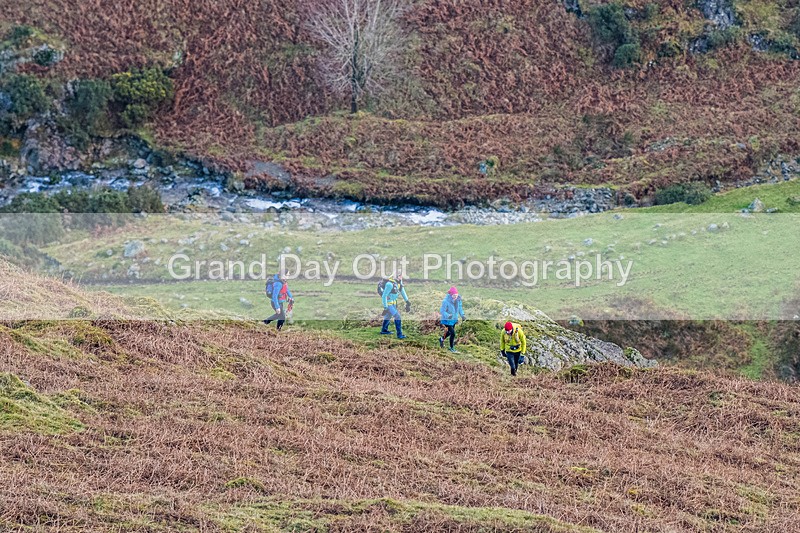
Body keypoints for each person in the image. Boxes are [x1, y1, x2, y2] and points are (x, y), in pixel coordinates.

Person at [380, 275, 410, 339]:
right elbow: (384, 296)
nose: (401, 277)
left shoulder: (399, 283)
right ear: (395, 276)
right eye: (400, 276)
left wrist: (407, 301)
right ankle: (399, 334)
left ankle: (384, 330)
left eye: (401, 276)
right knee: (397, 316)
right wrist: (385, 307)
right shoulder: (389, 284)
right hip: (389, 304)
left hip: (394, 303)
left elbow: (403, 292)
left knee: (388, 316)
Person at [439, 286, 465, 353]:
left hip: (453, 320)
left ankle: (441, 339)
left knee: (449, 332)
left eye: (456, 295)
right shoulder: (445, 301)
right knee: (453, 333)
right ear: (451, 295)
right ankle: (451, 348)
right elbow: (442, 310)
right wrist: (448, 315)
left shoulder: (458, 300)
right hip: (447, 320)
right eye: (453, 295)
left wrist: (462, 315)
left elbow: (460, 308)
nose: (455, 296)